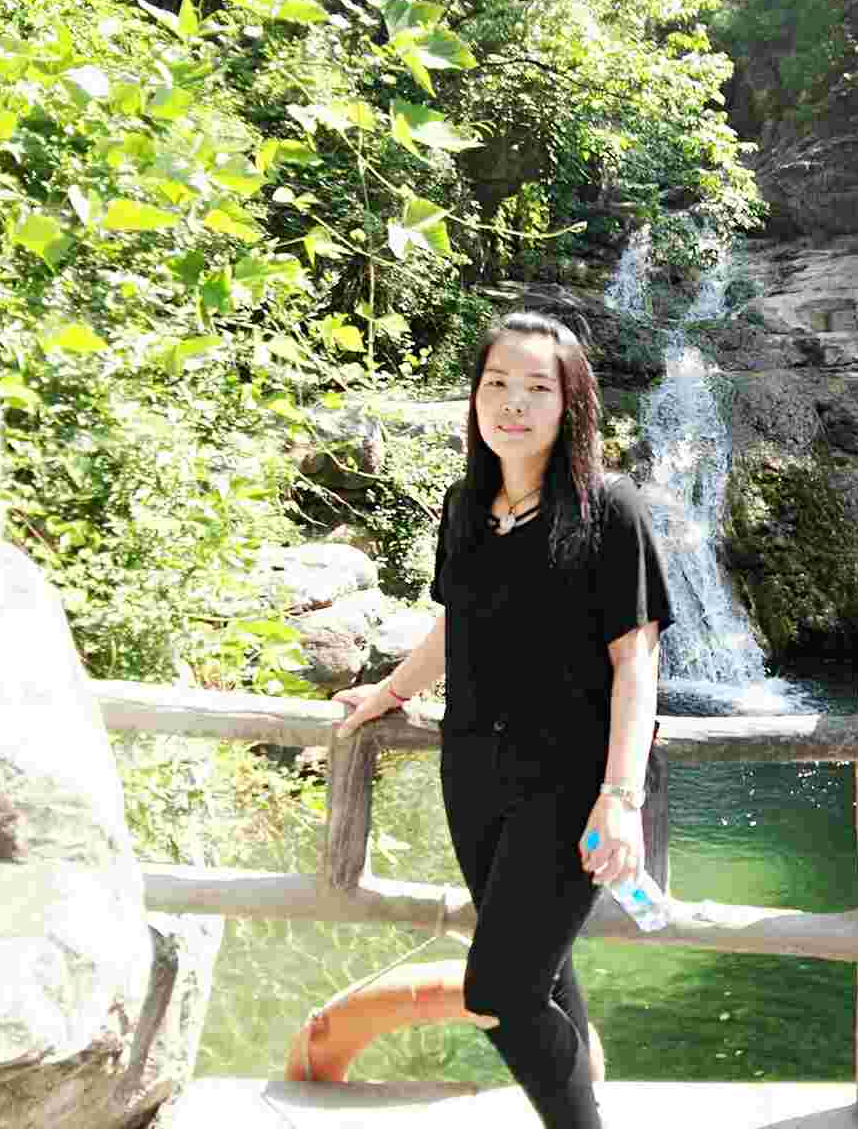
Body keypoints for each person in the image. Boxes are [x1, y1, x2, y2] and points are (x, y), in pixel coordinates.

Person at [333, 311, 674, 1129]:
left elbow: (637, 663)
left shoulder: (610, 510)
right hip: (477, 775)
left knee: (499, 991)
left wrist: (620, 797)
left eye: (535, 387)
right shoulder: (465, 506)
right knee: (541, 973)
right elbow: (456, 623)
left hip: (575, 784)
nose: (512, 403)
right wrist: (389, 693)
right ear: (475, 396)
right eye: (496, 383)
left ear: (570, 404)